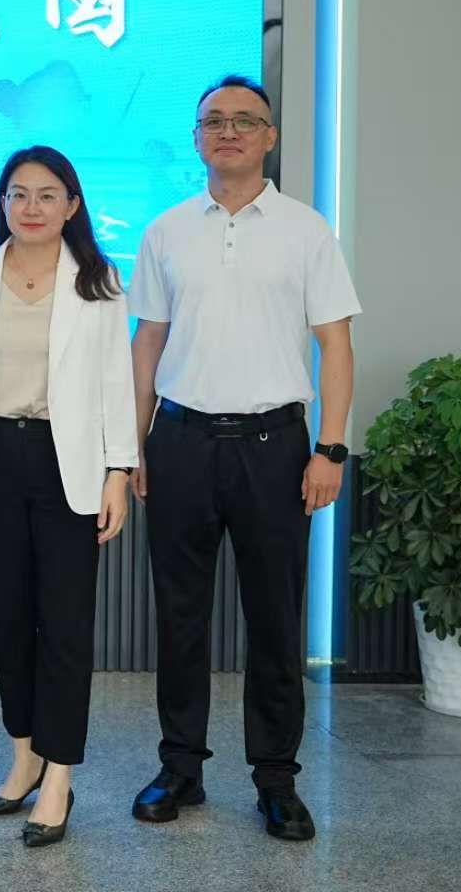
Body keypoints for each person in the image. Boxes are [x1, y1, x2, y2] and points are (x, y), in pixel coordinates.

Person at [128, 75, 359, 842]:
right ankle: (180, 768)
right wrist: (134, 443)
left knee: (275, 621)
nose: (228, 131)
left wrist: (330, 448)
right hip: (181, 442)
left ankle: (276, 781)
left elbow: (335, 345)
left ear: (269, 136)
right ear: (197, 138)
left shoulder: (305, 230)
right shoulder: (167, 230)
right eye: (214, 121)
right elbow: (148, 342)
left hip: (276, 448)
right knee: (179, 618)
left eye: (245, 120)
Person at [0, 145, 136, 849]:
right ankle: (24, 756)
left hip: (71, 464)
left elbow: (116, 380)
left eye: (46, 195)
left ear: (72, 205)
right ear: (1, 203)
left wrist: (119, 469)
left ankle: (59, 775)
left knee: (64, 625)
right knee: (10, 622)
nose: (30, 207)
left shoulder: (98, 281)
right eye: (18, 194)